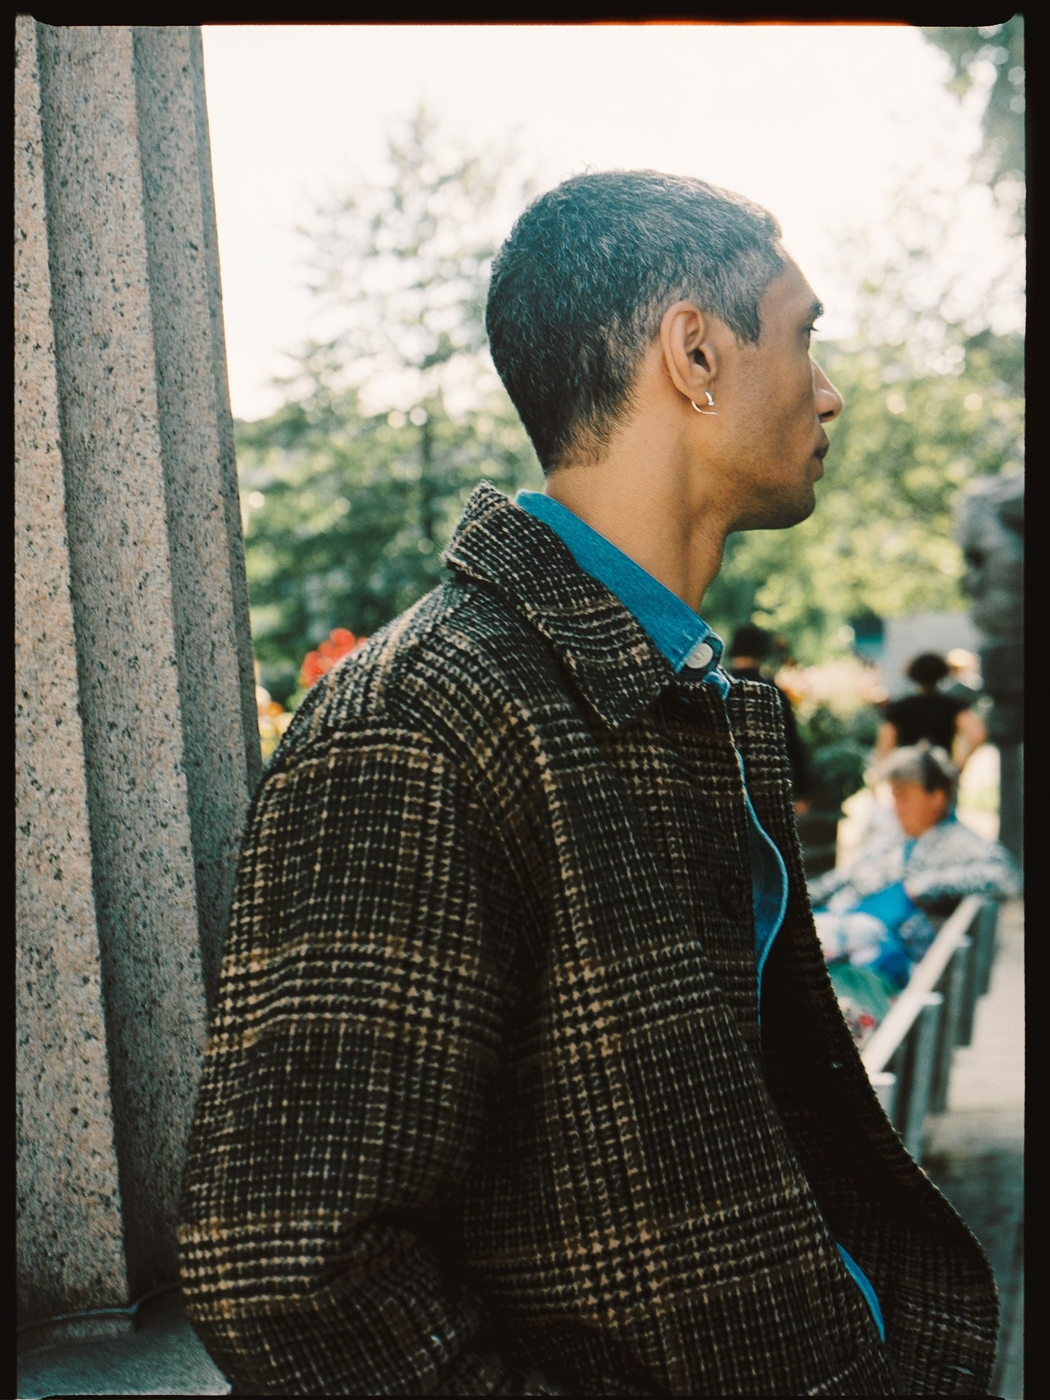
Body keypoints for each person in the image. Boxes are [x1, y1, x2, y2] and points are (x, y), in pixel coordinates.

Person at [179, 171, 998, 1395]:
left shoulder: (650, 685)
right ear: (695, 353)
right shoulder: (420, 720)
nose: (828, 389)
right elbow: (288, 1268)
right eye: (804, 334)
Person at [809, 743, 1020, 1043]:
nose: (898, 808)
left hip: (888, 970)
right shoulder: (890, 839)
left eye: (905, 797)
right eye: (894, 797)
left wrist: (923, 886)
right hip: (843, 942)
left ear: (937, 797)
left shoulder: (960, 842)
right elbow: (843, 878)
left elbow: (1006, 878)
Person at [727, 621, 810, 810]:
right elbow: (790, 739)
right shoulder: (770, 690)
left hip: (727, 780)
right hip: (766, 783)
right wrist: (801, 789)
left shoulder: (718, 687)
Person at [874, 651, 986, 772]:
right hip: (939, 769)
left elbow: (885, 745)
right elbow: (977, 734)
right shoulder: (952, 706)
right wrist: (959, 766)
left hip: (907, 771)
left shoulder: (898, 707)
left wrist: (880, 772)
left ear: (912, 674)